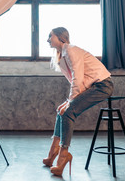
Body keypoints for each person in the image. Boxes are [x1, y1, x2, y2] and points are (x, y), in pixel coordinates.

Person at [43, 27, 114, 176]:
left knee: (68, 112)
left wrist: (70, 102)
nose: (48, 39)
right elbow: (76, 82)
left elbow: (78, 78)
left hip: (102, 85)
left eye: (50, 36)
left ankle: (63, 155)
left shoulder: (71, 50)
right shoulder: (62, 55)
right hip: (92, 86)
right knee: (60, 110)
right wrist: (68, 101)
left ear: (60, 37)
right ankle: (52, 153)